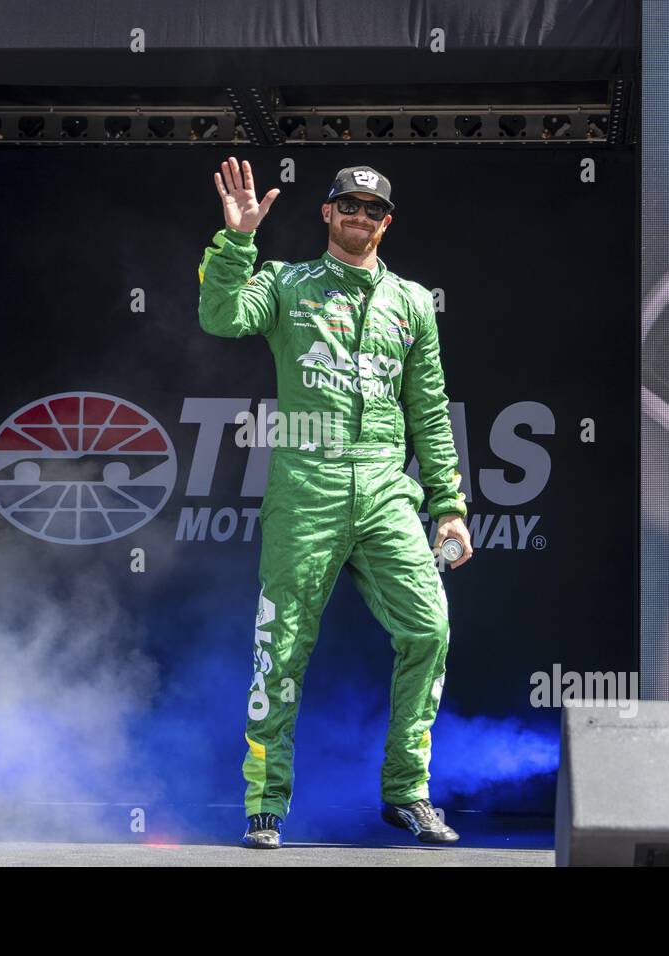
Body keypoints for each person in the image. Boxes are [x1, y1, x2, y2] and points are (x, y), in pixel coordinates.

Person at [197, 157, 473, 849]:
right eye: (347, 206)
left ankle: (407, 792)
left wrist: (449, 507)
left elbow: (430, 412)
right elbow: (221, 315)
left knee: (429, 631)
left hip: (385, 490)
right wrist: (237, 242)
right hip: (306, 491)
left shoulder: (411, 302)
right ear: (326, 213)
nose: (359, 217)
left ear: (387, 222)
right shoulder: (287, 282)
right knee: (281, 647)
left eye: (373, 210)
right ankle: (265, 803)